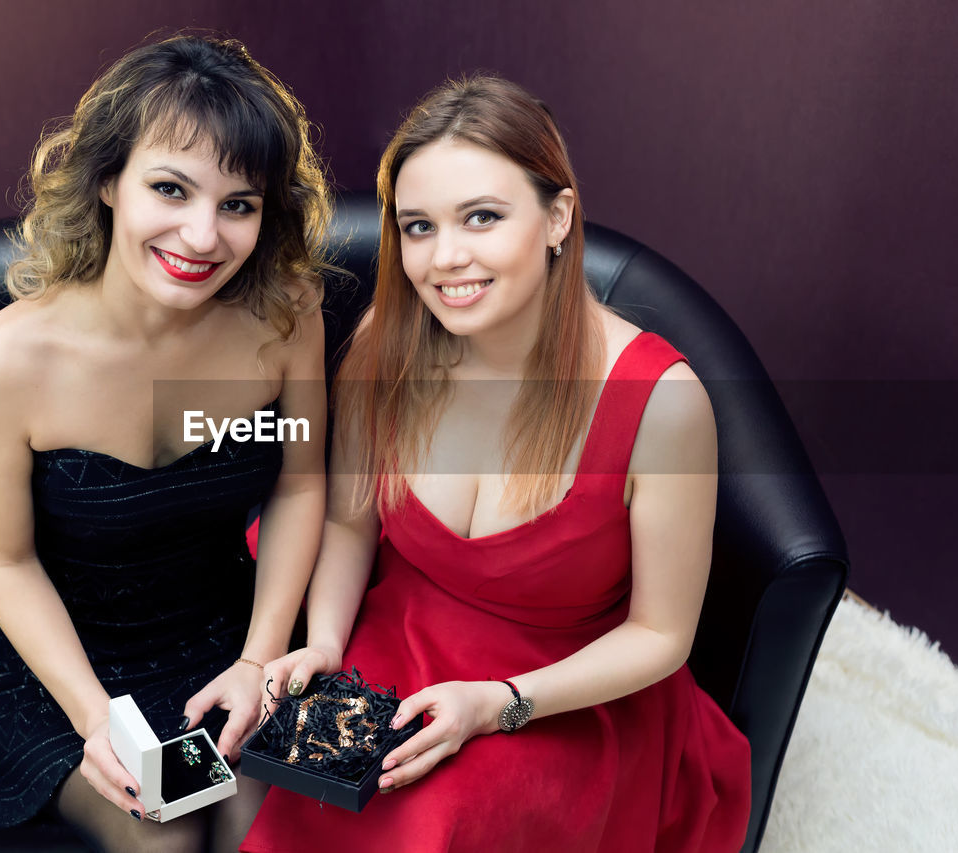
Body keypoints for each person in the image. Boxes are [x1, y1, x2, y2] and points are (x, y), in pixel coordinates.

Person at [243, 76, 751, 852]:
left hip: (569, 691)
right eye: (418, 226)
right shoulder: (387, 346)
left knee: (439, 819)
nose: (446, 258)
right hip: (399, 644)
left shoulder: (663, 403)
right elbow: (349, 521)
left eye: (481, 216)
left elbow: (660, 634)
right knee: (285, 798)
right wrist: (324, 644)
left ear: (557, 217)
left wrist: (500, 702)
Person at [0, 35, 329, 853]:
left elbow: (301, 483)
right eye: (171, 188)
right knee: (166, 839)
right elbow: (7, 562)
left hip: (226, 639)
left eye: (240, 203)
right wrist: (97, 720)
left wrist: (260, 662)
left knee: (264, 832)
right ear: (106, 181)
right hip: (65, 672)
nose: (202, 237)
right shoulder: (2, 362)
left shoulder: (286, 312)